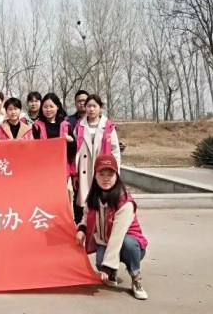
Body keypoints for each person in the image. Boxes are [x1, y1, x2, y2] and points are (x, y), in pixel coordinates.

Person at [76, 154, 148, 300]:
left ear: (117, 176)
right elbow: (85, 216)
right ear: (95, 176)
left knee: (128, 244)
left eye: (110, 174)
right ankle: (113, 272)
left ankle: (136, 277)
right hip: (106, 242)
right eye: (101, 174)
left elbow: (117, 237)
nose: (106, 179)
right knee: (100, 262)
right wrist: (81, 229)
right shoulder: (93, 198)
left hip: (130, 245)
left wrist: (107, 266)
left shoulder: (125, 203)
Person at [73, 94, 121, 224]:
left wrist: (116, 171)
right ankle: (84, 226)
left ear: (100, 107)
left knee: (102, 199)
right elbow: (75, 150)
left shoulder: (108, 126)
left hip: (102, 167)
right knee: (85, 201)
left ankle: (101, 226)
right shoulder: (79, 126)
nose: (91, 109)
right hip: (84, 168)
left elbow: (115, 150)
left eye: (94, 106)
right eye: (89, 106)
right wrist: (75, 173)